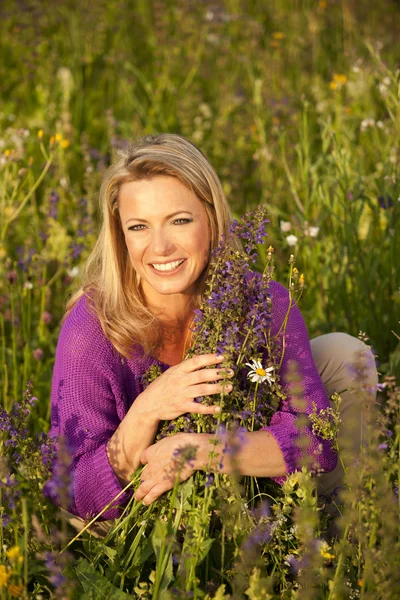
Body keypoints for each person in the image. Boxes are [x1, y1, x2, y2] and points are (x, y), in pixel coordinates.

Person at [44, 134, 377, 532]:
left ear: (211, 219)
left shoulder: (262, 303)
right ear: (120, 235)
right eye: (139, 227)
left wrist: (201, 450)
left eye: (179, 221)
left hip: (249, 489)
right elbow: (71, 488)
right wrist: (149, 408)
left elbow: (316, 440)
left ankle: (341, 533)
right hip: (139, 520)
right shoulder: (93, 324)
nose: (160, 247)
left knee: (345, 355)